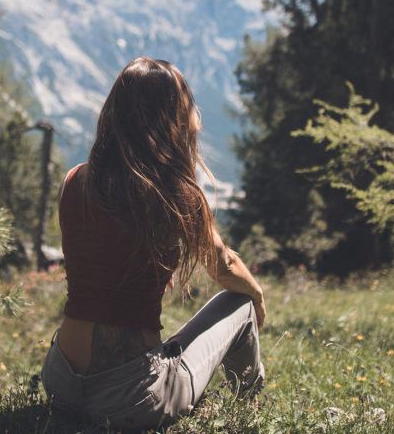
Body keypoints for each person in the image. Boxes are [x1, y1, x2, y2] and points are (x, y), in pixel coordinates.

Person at [40, 57, 267, 430]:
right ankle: (251, 410)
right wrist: (257, 296)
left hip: (60, 381)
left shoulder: (75, 179)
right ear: (172, 119)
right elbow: (225, 266)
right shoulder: (175, 195)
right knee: (239, 303)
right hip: (131, 400)